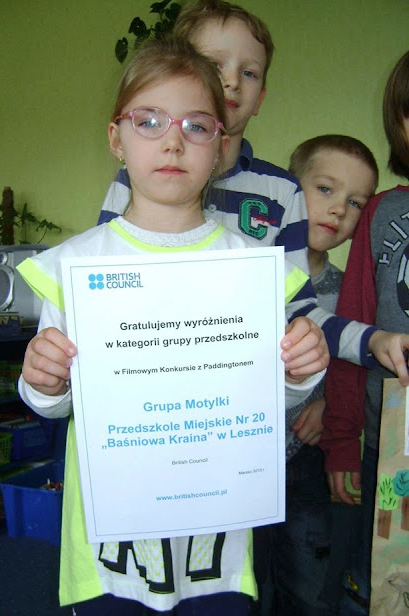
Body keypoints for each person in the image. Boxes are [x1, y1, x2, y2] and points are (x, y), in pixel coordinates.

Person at [17, 38, 329, 616]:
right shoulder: (74, 267)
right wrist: (44, 381)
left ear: (220, 147)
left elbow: (265, 400)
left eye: (196, 125)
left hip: (216, 534)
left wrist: (299, 373)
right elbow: (54, 403)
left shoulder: (251, 268)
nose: (172, 141)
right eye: (149, 120)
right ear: (117, 139)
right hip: (110, 538)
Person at [99, 0, 409, 385]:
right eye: (213, 64)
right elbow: (102, 293)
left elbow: (299, 313)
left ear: (260, 97)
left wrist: (373, 340)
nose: (231, 81)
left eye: (248, 72)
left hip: (240, 390)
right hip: (151, 377)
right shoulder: (135, 180)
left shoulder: (283, 193)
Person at [254, 135, 378, 616]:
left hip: (305, 461)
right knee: (244, 587)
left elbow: (354, 363)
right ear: (289, 190)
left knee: (307, 589)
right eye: (324, 189)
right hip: (243, 455)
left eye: (355, 202)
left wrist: (327, 402)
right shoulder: (253, 272)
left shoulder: (349, 291)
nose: (338, 209)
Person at [320, 50, 409, 616]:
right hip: (390, 448)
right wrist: (342, 443)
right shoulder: (381, 212)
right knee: (387, 595)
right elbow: (352, 331)